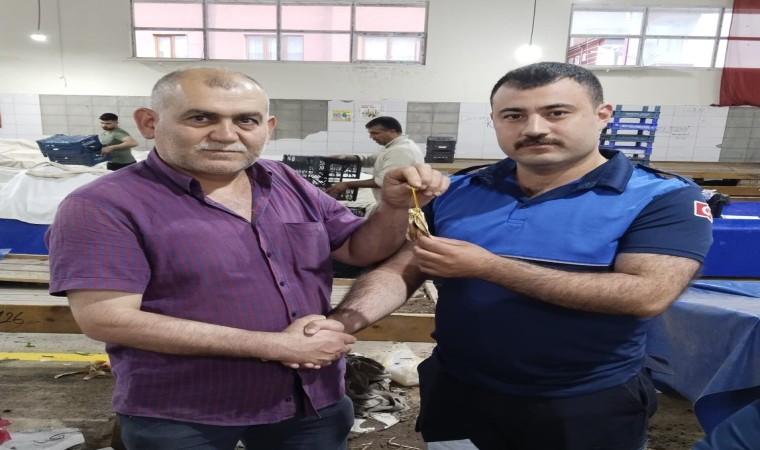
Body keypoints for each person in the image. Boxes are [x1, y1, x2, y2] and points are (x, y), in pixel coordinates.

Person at [45, 67, 448, 450]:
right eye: (201, 117)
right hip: (184, 410)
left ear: (267, 128)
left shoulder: (284, 181)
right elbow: (106, 318)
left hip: (310, 397)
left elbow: (360, 249)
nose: (226, 134)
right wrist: (278, 346)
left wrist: (394, 207)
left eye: (246, 120)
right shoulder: (104, 205)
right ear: (150, 123)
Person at [319, 62, 714, 450]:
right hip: (459, 392)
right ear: (495, 121)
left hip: (582, 402)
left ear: (602, 115)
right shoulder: (461, 189)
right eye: (514, 115)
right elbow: (400, 269)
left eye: (556, 113)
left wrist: (489, 266)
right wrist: (342, 322)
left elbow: (647, 294)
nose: (534, 128)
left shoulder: (661, 197)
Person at [325, 116, 424, 214]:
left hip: (399, 207)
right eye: (370, 133)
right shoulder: (391, 146)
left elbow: (383, 181)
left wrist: (347, 184)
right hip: (389, 204)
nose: (371, 137)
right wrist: (348, 158)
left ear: (392, 131)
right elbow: (371, 160)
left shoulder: (401, 150)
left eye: (375, 133)